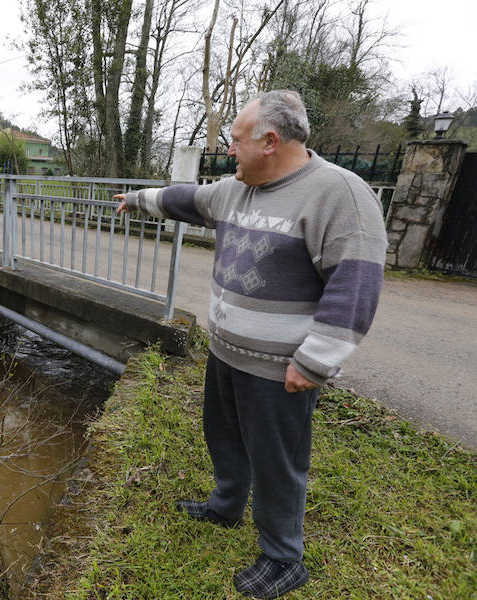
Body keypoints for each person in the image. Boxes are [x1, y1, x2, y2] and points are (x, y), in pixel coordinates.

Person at [115, 90, 386, 599]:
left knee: (277, 461)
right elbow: (186, 199)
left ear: (270, 141)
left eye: (235, 141)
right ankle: (225, 505)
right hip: (226, 353)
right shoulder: (237, 190)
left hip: (282, 370)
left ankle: (284, 557)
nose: (228, 151)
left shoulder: (337, 195)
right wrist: (137, 199)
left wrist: (315, 361)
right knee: (224, 438)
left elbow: (355, 288)